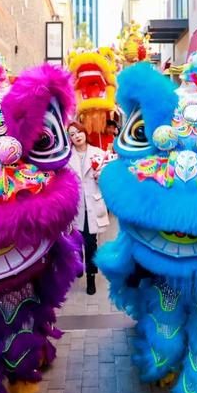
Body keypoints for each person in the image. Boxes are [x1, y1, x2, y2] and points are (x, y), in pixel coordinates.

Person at [67, 121, 110, 295]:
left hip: (92, 205)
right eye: (72, 134)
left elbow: (109, 179)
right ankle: (78, 264)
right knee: (76, 242)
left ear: (85, 133)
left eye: (78, 132)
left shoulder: (98, 153)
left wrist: (102, 177)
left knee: (91, 244)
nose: (76, 136)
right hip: (75, 207)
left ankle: (91, 277)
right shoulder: (66, 157)